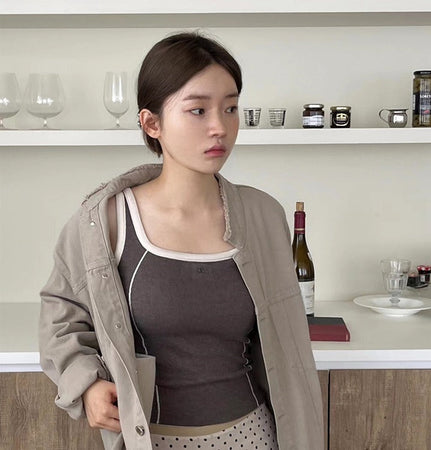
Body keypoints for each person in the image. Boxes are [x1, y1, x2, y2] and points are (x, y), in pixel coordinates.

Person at [39, 32, 324, 450]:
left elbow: (283, 343)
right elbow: (61, 316)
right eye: (197, 110)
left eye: (230, 108)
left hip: (254, 435)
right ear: (151, 123)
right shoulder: (106, 220)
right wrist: (85, 383)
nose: (219, 127)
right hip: (154, 440)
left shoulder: (263, 215)